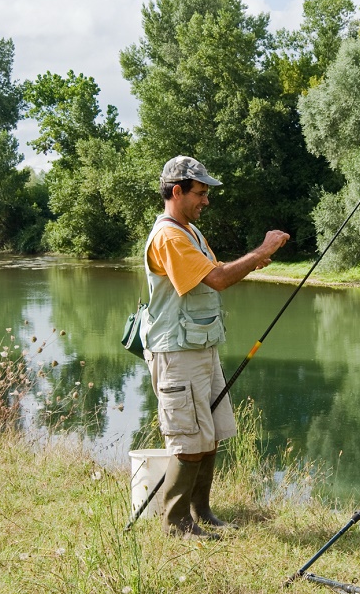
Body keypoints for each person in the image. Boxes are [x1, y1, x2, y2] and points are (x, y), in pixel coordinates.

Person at [141, 155, 289, 539]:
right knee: (188, 440)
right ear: (177, 191)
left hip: (200, 349)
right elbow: (219, 280)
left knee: (208, 436)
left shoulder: (189, 231)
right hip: (176, 353)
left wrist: (253, 262)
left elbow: (212, 271)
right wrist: (260, 250)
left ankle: (201, 512)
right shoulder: (168, 236)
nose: (206, 200)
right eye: (200, 193)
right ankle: (176, 524)